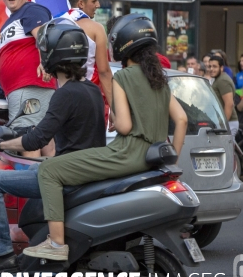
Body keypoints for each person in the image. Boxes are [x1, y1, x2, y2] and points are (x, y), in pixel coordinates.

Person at [21, 14, 188, 261]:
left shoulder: (123, 76)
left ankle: (56, 243)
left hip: (126, 153)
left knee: (50, 170)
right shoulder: (158, 78)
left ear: (121, 45)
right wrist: (171, 157)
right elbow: (182, 119)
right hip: (153, 158)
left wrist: (118, 114)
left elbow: (124, 125)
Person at [0, 22, 106, 276]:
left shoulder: (66, 94)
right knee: (32, 169)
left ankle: (0, 255)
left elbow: (35, 140)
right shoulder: (91, 90)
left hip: (68, 175)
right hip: (82, 171)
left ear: (53, 56)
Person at [0, 0, 54, 157]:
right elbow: (0, 60)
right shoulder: (8, 22)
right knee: (43, 138)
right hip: (22, 88)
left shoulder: (31, 10)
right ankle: (46, 181)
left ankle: (29, 183)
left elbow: (43, 36)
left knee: (27, 138)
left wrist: (44, 62)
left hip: (30, 85)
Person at [208, 56, 239, 137]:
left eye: (214, 66)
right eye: (209, 66)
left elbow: (229, 104)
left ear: (221, 68)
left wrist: (223, 125)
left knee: (226, 149)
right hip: (223, 122)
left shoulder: (222, 80)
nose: (211, 69)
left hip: (228, 123)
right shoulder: (217, 79)